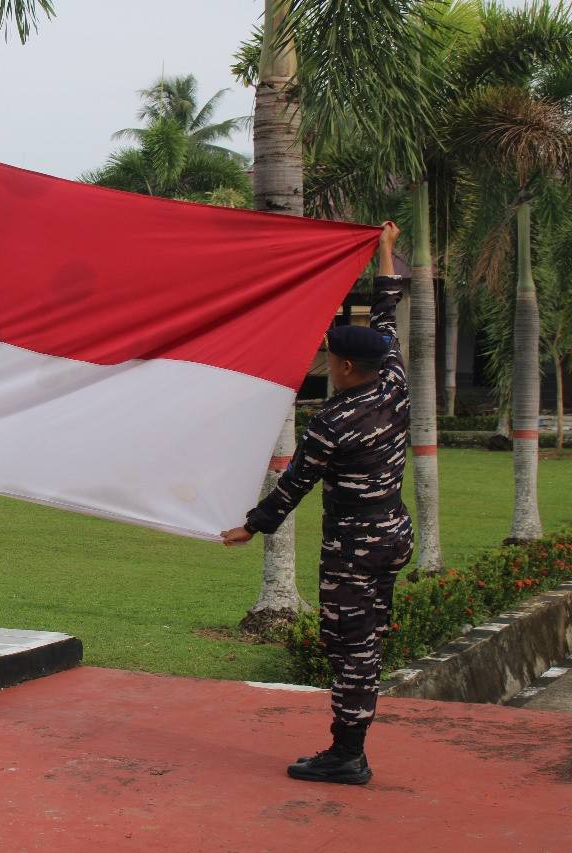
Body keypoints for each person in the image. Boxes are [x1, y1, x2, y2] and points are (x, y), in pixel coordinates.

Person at [220, 221, 413, 785]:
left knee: (350, 650)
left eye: (331, 357)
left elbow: (293, 486)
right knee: (368, 642)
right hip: (393, 535)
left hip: (354, 547)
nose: (328, 363)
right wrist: (386, 254)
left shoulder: (334, 421)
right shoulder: (394, 383)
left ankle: (347, 755)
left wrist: (249, 528)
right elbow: (385, 317)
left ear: (347, 368)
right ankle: (349, 746)